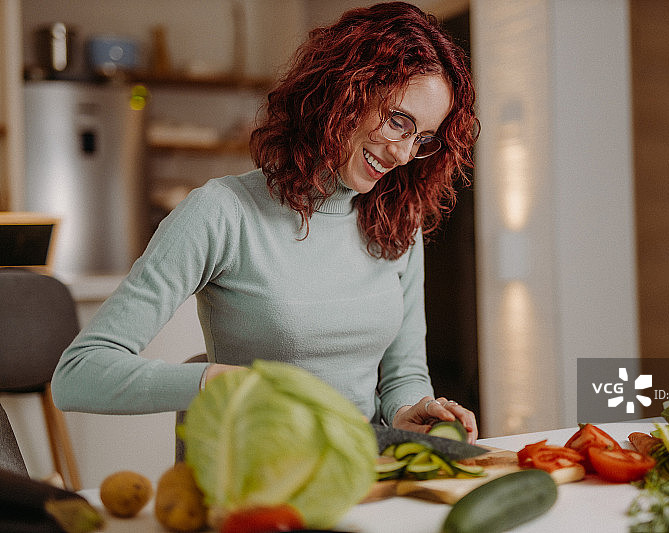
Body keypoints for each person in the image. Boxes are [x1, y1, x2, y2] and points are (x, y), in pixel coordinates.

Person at [51, 1, 480, 443]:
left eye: (423, 138)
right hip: (248, 482)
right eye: (397, 122)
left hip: (360, 476)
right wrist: (214, 381)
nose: (404, 154)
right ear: (344, 92)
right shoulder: (222, 212)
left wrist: (410, 408)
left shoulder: (398, 224)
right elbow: (80, 373)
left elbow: (403, 374)